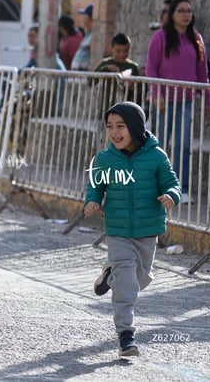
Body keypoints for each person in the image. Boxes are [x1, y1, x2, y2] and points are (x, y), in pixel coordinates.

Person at [84, 101, 181, 357]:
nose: (114, 132)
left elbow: (173, 183)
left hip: (148, 230)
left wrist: (171, 195)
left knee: (140, 278)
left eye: (121, 126)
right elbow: (95, 184)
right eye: (110, 127)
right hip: (117, 230)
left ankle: (111, 274)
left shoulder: (157, 157)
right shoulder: (105, 159)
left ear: (136, 128)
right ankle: (126, 335)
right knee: (127, 283)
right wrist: (92, 200)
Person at [146, 0, 210, 204]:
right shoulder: (160, 37)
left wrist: (208, 101)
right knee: (160, 144)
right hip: (164, 101)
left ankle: (180, 188)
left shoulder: (196, 39)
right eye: (181, 10)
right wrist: (156, 94)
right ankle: (155, 185)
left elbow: (203, 71)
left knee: (183, 145)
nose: (186, 14)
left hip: (187, 100)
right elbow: (151, 68)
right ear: (172, 13)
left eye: (189, 11)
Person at [94, 33, 143, 108]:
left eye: (125, 51)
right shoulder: (106, 63)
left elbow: (139, 91)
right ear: (111, 48)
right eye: (118, 51)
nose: (122, 54)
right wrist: (106, 69)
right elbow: (91, 81)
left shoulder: (133, 67)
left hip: (126, 108)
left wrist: (132, 86)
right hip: (107, 106)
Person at [71, 3, 93, 71]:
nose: (83, 19)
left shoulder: (94, 35)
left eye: (85, 16)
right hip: (78, 74)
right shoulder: (88, 33)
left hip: (84, 73)